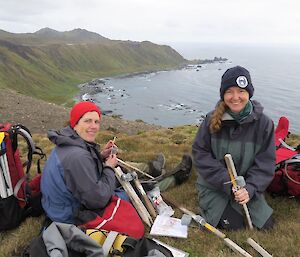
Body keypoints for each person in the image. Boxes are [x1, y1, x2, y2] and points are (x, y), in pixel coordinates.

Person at [41, 101, 144, 237]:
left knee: (120, 179)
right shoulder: (77, 157)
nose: (93, 126)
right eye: (88, 121)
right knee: (129, 192)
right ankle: (163, 180)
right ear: (75, 123)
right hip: (69, 215)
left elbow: (84, 167)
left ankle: (150, 170)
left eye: (96, 122)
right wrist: (108, 168)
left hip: (57, 206)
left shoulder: (68, 140)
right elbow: (97, 200)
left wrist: (101, 156)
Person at [192, 66, 276, 230]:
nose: (235, 97)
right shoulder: (211, 120)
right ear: (223, 94)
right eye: (229, 91)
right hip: (215, 185)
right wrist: (228, 182)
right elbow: (200, 155)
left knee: (266, 226)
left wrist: (250, 189)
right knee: (233, 225)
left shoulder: (264, 124)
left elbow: (266, 164)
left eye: (241, 91)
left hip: (246, 187)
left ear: (249, 94)